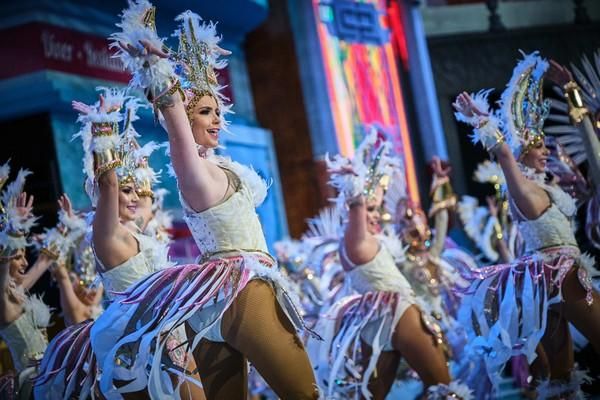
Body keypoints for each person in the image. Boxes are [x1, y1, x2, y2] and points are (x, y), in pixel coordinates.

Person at [91, 3, 318, 399]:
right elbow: (176, 126)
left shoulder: (216, 169)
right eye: (204, 112)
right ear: (185, 118)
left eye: (217, 111)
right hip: (244, 291)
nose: (215, 119)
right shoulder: (194, 171)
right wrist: (158, 73)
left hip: (210, 304)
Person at [34, 89, 204, 400]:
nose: (133, 196)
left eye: (135, 190)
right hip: (136, 342)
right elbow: (108, 183)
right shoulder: (105, 232)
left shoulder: (137, 234)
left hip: (168, 333)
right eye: (126, 191)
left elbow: (147, 197)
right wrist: (103, 127)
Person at [453, 51, 600, 397]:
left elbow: (594, 160)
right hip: (559, 277)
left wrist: (572, 94)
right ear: (521, 154)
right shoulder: (521, 188)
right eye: (536, 144)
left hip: (548, 284)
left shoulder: (551, 189)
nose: (545, 149)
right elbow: (503, 155)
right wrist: (482, 121)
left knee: (562, 377)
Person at [309, 131, 472, 400]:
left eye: (378, 208)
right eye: (371, 210)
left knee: (371, 397)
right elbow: (358, 207)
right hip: (399, 312)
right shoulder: (356, 238)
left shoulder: (363, 241)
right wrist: (356, 192)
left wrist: (439, 185)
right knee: (445, 389)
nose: (378, 215)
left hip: (374, 321)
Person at [0, 162, 53, 400]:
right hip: (32, 388)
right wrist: (12, 229)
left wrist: (69, 229)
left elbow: (43, 262)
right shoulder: (3, 298)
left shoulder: (18, 290)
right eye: (18, 258)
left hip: (52, 372)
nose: (24, 264)